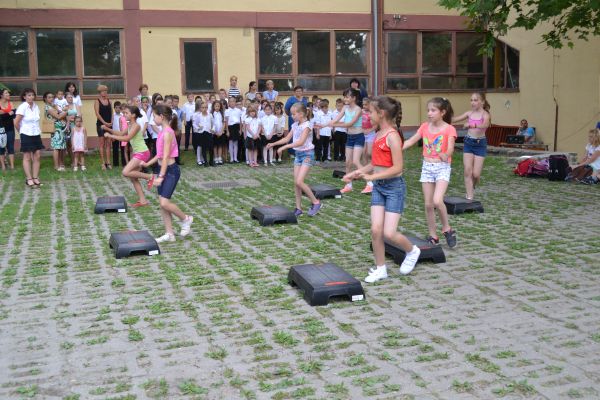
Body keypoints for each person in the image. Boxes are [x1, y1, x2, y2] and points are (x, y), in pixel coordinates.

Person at [343, 96, 420, 282]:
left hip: (394, 188)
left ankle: (412, 251)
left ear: (381, 113)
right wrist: (357, 172)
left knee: (389, 233)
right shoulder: (378, 134)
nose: (367, 115)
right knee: (376, 230)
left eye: (370, 112)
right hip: (379, 188)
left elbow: (398, 168)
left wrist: (372, 177)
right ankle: (380, 269)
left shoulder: (392, 136)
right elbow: (375, 163)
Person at [403, 97, 457, 248]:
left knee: (437, 201)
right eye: (428, 110)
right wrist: (396, 148)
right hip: (427, 167)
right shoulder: (424, 127)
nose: (429, 113)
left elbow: (450, 148)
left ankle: (447, 229)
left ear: (442, 112)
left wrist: (446, 154)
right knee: (428, 204)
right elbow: (411, 141)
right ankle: (433, 236)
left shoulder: (449, 129)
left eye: (433, 110)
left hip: (442, 167)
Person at [141, 105, 193, 243]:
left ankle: (186, 219)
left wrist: (161, 177)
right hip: (161, 169)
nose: (153, 119)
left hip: (170, 171)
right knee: (162, 204)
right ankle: (169, 234)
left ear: (162, 116)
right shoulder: (162, 132)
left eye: (154, 116)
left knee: (164, 203)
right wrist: (147, 163)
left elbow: (165, 157)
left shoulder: (168, 133)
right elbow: (159, 154)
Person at [267, 103, 322, 216]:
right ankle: (298, 209)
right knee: (296, 183)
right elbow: (287, 138)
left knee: (299, 181)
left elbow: (301, 142)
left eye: (293, 114)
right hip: (298, 155)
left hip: (307, 155)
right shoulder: (295, 125)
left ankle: (316, 202)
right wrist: (273, 144)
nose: (292, 116)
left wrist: (285, 147)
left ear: (301, 114)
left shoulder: (307, 125)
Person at [103, 105, 153, 207]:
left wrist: (110, 136)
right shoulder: (130, 125)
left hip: (142, 152)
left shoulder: (136, 126)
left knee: (126, 172)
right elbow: (121, 133)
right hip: (138, 153)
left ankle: (150, 177)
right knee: (133, 177)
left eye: (126, 113)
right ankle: (143, 201)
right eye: (124, 113)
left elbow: (127, 138)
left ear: (133, 115)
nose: (124, 114)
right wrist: (108, 129)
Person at [452, 92, 491, 200]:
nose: (472, 102)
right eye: (471, 100)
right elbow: (454, 120)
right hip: (468, 143)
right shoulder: (469, 113)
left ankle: (472, 186)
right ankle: (469, 196)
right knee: (467, 171)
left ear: (482, 102)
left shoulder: (485, 114)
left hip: (480, 144)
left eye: (475, 100)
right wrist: (445, 111)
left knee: (476, 174)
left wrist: (472, 125)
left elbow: (485, 124)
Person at [328, 88, 363, 193]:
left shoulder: (358, 110)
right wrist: (324, 125)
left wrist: (334, 124)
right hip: (350, 137)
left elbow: (350, 124)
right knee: (348, 162)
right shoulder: (345, 108)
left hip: (359, 136)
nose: (345, 99)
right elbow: (335, 119)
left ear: (354, 98)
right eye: (344, 97)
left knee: (356, 161)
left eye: (347, 97)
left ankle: (370, 183)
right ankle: (348, 185)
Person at [14, 88, 44, 187]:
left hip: (36, 133)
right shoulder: (22, 107)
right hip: (26, 134)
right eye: (29, 95)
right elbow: (16, 122)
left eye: (32, 95)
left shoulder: (36, 106)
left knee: (37, 155)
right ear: (24, 97)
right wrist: (21, 132)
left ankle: (35, 177)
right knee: (27, 156)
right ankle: (29, 179)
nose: (31, 97)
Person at [43, 92, 68, 171]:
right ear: (45, 99)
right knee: (56, 148)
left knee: (61, 147)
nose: (51, 99)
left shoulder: (53, 106)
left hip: (60, 129)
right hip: (56, 130)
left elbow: (60, 113)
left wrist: (59, 110)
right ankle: (56, 166)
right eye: (49, 97)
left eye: (52, 97)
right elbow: (58, 116)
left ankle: (61, 164)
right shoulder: (48, 107)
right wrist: (66, 112)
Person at [94, 84, 113, 170]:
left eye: (106, 91)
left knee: (108, 144)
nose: (105, 92)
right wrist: (104, 123)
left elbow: (111, 113)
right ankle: (103, 163)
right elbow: (97, 114)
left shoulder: (109, 101)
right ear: (100, 92)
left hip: (109, 124)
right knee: (102, 144)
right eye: (103, 91)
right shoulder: (97, 101)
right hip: (101, 125)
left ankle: (108, 162)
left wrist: (111, 122)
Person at [361, 97, 376, 194]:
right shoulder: (361, 112)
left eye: (366, 104)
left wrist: (369, 130)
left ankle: (374, 172)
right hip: (363, 134)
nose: (364, 106)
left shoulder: (372, 112)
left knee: (370, 153)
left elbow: (376, 124)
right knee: (364, 154)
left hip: (370, 134)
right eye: (363, 104)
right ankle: (367, 176)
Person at [192, 101, 214, 166]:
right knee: (203, 148)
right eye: (203, 107)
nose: (204, 109)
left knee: (211, 148)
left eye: (205, 107)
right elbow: (194, 123)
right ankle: (205, 162)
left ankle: (211, 161)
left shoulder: (210, 115)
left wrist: (213, 129)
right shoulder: (198, 116)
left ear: (207, 108)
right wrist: (198, 128)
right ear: (200, 108)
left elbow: (213, 123)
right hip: (201, 133)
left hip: (208, 133)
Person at [0, 88, 16, 171]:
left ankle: (12, 166)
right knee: (1, 147)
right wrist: (8, 113)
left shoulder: (11, 103)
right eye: (6, 93)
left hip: (10, 128)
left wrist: (4, 114)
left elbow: (14, 115)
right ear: (1, 95)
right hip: (0, 129)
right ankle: (3, 166)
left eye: (8, 93)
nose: (8, 94)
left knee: (10, 147)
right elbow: (9, 114)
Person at [225, 97, 242, 163]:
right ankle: (231, 158)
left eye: (233, 101)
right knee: (231, 142)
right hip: (230, 127)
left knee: (236, 143)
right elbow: (226, 121)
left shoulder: (238, 110)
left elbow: (240, 121)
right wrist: (227, 131)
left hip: (236, 127)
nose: (232, 103)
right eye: (230, 101)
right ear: (228, 103)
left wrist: (240, 129)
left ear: (235, 102)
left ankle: (235, 158)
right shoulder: (227, 111)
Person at [212, 100, 226, 165]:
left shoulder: (222, 114)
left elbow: (224, 123)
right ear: (213, 107)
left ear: (220, 107)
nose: (217, 107)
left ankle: (220, 157)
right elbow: (211, 124)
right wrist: (215, 132)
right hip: (214, 133)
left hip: (221, 133)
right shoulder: (212, 114)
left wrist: (221, 131)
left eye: (218, 106)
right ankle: (215, 157)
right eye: (216, 106)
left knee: (220, 145)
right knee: (215, 146)